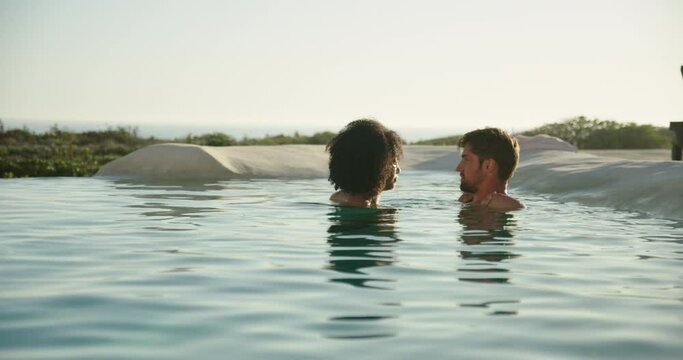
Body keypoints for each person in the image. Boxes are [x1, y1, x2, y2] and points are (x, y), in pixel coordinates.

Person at [326, 119, 403, 208]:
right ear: (377, 167)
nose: (398, 169)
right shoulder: (361, 205)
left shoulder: (338, 197)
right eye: (393, 161)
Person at [456, 128, 524, 211]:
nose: (458, 168)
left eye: (466, 160)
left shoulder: (507, 206)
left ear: (488, 165)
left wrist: (512, 206)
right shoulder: (467, 201)